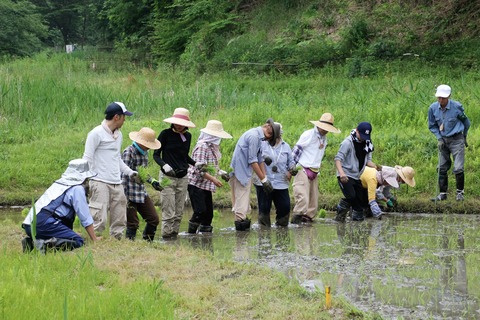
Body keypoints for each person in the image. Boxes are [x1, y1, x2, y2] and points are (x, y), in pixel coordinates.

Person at [83, 102, 138, 239]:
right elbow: (87, 158)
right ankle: (94, 243)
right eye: (124, 117)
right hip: (99, 180)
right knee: (99, 218)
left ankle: (116, 242)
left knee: (120, 217)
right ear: (116, 117)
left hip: (116, 182)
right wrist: (84, 179)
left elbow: (117, 158)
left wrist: (131, 173)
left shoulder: (118, 135)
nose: (125, 120)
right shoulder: (95, 134)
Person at [21, 159, 99, 252]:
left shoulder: (58, 184)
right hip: (43, 224)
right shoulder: (77, 189)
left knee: (69, 237)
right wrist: (94, 239)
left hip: (29, 225)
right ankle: (42, 245)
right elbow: (85, 217)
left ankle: (32, 242)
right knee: (78, 241)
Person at [153, 108, 200, 239]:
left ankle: (174, 236)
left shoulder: (188, 136)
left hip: (183, 177)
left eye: (181, 123)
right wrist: (164, 165)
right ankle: (166, 236)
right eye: (176, 122)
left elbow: (184, 156)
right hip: (168, 177)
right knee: (168, 210)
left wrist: (196, 164)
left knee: (179, 211)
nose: (178, 125)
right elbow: (156, 155)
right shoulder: (165, 134)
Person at [229, 118, 280, 231]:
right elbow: (252, 160)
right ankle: (240, 240)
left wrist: (264, 179)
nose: (268, 138)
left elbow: (260, 159)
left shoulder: (259, 138)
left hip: (245, 173)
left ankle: (242, 236)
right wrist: (263, 180)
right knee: (241, 206)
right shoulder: (254, 136)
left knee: (244, 204)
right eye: (269, 135)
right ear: (266, 126)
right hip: (240, 172)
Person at [290, 113, 341, 224]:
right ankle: (295, 224)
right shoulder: (308, 134)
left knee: (313, 205)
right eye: (325, 128)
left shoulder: (324, 139)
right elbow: (297, 149)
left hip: (314, 171)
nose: (326, 131)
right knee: (303, 199)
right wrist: (291, 166)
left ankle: (307, 228)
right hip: (302, 168)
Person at [187, 120, 232, 234]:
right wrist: (214, 179)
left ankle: (205, 240)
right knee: (200, 211)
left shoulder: (212, 147)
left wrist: (221, 173)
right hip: (196, 184)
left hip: (205, 185)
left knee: (208, 215)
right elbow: (199, 169)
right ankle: (191, 236)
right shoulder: (202, 147)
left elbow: (211, 166)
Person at [428, 84, 470, 201]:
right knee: (441, 167)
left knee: (458, 168)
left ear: (449, 96)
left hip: (457, 139)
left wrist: (464, 137)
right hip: (443, 140)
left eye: (443, 98)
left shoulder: (457, 107)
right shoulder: (433, 108)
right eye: (439, 97)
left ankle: (460, 193)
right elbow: (432, 125)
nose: (441, 100)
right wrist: (439, 138)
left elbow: (467, 123)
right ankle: (442, 194)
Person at [122, 127, 162, 241]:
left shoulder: (144, 153)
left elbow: (143, 172)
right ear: (140, 142)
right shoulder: (128, 152)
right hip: (128, 192)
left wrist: (153, 181)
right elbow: (123, 173)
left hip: (140, 192)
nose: (149, 146)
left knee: (153, 218)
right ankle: (130, 244)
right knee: (132, 223)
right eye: (148, 144)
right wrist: (123, 196)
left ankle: (147, 243)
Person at [334, 122, 377, 222]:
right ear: (357, 131)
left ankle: (356, 226)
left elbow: (368, 161)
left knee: (360, 201)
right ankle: (340, 217)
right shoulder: (348, 143)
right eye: (361, 135)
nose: (362, 138)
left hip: (357, 176)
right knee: (352, 196)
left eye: (365, 136)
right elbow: (338, 159)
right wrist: (342, 174)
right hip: (345, 174)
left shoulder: (367, 142)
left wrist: (376, 167)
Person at [253, 122, 294, 227]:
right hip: (265, 183)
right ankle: (264, 235)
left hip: (281, 182)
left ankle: (282, 231)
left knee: (285, 207)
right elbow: (254, 160)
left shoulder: (286, 147)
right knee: (264, 209)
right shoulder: (261, 144)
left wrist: (292, 170)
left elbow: (291, 163)